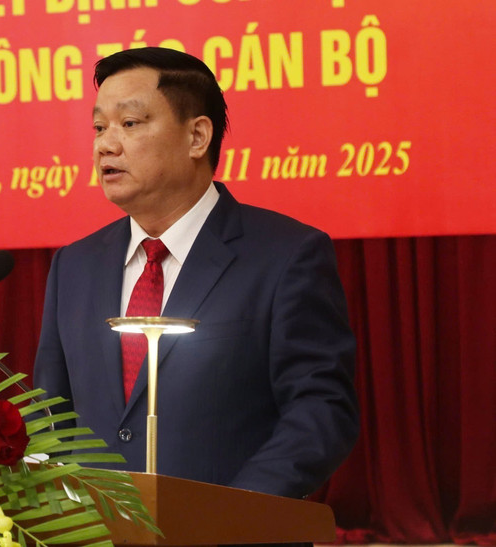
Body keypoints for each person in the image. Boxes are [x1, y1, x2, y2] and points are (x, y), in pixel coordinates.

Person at [33, 47, 359, 501]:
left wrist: (232, 515)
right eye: (98, 127)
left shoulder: (286, 256)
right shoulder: (75, 265)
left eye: (129, 124)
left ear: (197, 137)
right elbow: (51, 418)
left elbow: (321, 411)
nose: (106, 144)